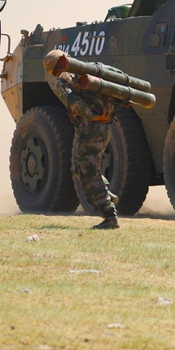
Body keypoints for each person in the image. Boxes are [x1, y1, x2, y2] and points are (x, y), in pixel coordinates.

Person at [45, 56, 120, 230]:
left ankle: (109, 215)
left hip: (90, 128)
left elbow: (74, 102)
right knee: (77, 167)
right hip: (104, 128)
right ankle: (107, 194)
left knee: (87, 172)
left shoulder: (64, 80)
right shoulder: (85, 74)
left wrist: (92, 116)